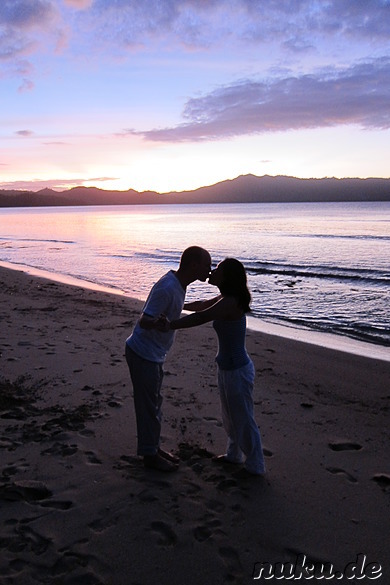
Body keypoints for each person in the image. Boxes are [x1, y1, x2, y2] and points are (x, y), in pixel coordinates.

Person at [160, 258, 265, 476]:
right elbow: (201, 306)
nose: (212, 271)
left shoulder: (231, 301)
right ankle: (234, 455)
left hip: (238, 370)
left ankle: (256, 465)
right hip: (227, 368)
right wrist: (175, 305)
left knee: (243, 418)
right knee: (230, 416)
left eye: (217, 269)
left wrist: (171, 324)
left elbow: (203, 316)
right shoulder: (225, 297)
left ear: (226, 277)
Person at [125, 246, 212, 472]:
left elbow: (177, 307)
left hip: (153, 354)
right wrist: (160, 324)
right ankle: (149, 456)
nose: (209, 270)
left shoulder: (178, 284)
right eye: (206, 265)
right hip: (143, 353)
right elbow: (144, 319)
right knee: (148, 407)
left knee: (155, 404)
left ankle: (152, 448)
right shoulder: (167, 287)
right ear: (193, 265)